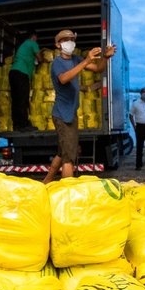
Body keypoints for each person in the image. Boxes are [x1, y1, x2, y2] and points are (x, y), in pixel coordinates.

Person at [45, 30, 115, 181]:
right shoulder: (57, 62)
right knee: (69, 157)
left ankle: (47, 181)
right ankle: (68, 189)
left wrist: (105, 57)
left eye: (72, 39)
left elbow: (98, 69)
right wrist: (86, 61)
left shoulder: (75, 59)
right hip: (62, 115)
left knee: (62, 152)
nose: (70, 42)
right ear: (58, 45)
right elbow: (63, 79)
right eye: (65, 40)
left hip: (71, 114)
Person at [9, 30, 42, 132]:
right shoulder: (32, 43)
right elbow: (39, 58)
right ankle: (24, 125)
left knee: (16, 100)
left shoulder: (23, 46)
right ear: (33, 37)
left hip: (13, 73)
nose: (36, 40)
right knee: (23, 99)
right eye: (36, 38)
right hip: (21, 73)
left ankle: (17, 125)